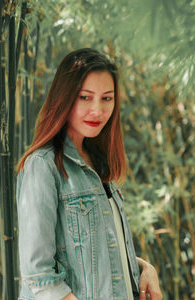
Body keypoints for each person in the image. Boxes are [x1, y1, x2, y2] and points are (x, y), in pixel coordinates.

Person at [17, 48, 162, 300]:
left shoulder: (99, 164)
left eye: (107, 98)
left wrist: (144, 269)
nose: (97, 110)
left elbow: (96, 253)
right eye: (85, 97)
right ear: (64, 98)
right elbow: (39, 275)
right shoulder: (43, 166)